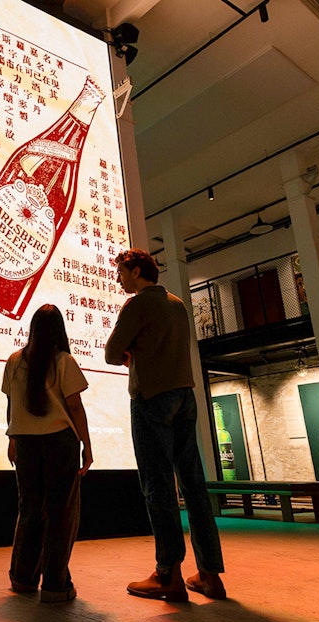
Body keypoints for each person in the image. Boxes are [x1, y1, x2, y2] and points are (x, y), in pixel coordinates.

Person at [104, 249, 227, 602]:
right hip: (185, 398)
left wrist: (130, 355)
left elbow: (112, 352)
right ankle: (210, 576)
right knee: (194, 488)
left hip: (151, 398)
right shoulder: (177, 304)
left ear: (138, 270)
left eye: (122, 272)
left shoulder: (137, 304)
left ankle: (167, 574)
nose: (118, 279)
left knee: (158, 487)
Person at [2, 304, 93, 603]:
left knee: (29, 510)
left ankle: (23, 579)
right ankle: (56, 586)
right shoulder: (64, 361)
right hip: (60, 443)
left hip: (26, 444)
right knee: (60, 514)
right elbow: (75, 407)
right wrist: (87, 446)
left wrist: (13, 437)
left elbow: (11, 406)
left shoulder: (14, 361)